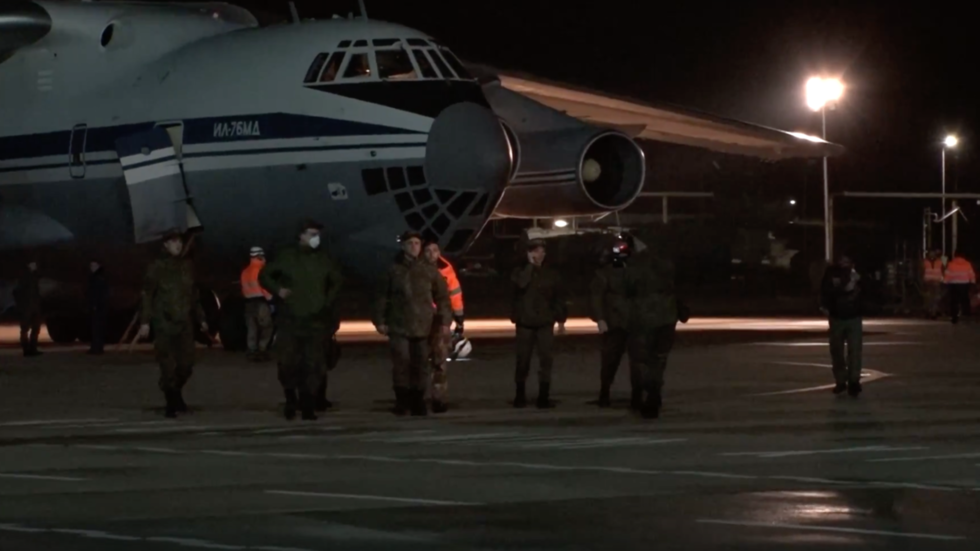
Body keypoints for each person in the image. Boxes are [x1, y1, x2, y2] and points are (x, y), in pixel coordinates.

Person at [259, 220, 343, 420]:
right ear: (301, 236)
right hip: (291, 321)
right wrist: (278, 290)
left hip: (315, 322)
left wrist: (326, 301)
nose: (316, 238)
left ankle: (307, 405)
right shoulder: (287, 257)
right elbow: (265, 275)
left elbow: (337, 281)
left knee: (313, 365)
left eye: (317, 234)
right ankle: (290, 400)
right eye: (312, 234)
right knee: (288, 363)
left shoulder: (324, 259)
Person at [373, 231, 451, 417]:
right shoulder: (393, 269)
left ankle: (418, 401)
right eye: (410, 243)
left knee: (421, 364)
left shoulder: (429, 270)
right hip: (399, 325)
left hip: (423, 326)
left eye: (417, 243)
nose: (414, 246)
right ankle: (402, 401)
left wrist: (444, 320)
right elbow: (381, 296)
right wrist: (379, 320)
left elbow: (442, 296)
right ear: (403, 246)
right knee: (401, 363)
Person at [138, 232, 208, 418]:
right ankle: (172, 401)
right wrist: (145, 322)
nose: (178, 245)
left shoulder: (187, 266)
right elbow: (147, 295)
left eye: (180, 242)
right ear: (166, 245)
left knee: (186, 364)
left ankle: (174, 391)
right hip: (164, 322)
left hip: (184, 322)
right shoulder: (157, 267)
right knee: (167, 364)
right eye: (174, 242)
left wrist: (201, 319)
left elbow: (194, 295)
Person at [625, 237, 682, 419]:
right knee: (659, 359)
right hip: (666, 316)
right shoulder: (666, 264)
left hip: (644, 317)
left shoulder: (636, 265)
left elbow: (626, 283)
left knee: (641, 360)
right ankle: (654, 393)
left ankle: (645, 395)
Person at [511, 239, 567, 409]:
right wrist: (529, 266)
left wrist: (561, 321)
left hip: (544, 323)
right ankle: (520, 396)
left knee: (546, 361)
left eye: (542, 251)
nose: (539, 255)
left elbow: (558, 298)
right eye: (535, 251)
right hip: (525, 323)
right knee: (523, 361)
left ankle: (544, 396)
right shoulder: (519, 271)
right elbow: (520, 284)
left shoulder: (551, 274)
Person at [590, 236, 641, 409]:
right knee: (610, 361)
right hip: (615, 323)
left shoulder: (635, 271)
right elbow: (597, 297)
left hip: (633, 322)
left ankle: (637, 395)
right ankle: (605, 392)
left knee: (637, 362)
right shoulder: (605, 273)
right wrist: (601, 319)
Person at [422, 239, 465, 414]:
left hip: (440, 322)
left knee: (439, 363)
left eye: (435, 250)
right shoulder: (418, 271)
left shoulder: (447, 271)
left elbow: (455, 295)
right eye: (428, 251)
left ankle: (438, 399)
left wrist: (460, 318)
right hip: (421, 322)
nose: (432, 254)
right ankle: (418, 396)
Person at [820, 253, 864, 397]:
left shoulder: (857, 273)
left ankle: (854, 381)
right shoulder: (832, 273)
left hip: (854, 316)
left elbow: (868, 291)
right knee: (837, 351)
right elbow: (826, 290)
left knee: (855, 351)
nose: (845, 262)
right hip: (837, 316)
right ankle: (840, 380)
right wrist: (825, 305)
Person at [240, 246, 274, 362]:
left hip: (249, 302)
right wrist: (270, 300)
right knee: (267, 326)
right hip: (261, 302)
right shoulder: (261, 270)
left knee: (252, 327)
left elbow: (244, 288)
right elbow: (265, 286)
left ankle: (252, 350)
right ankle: (262, 349)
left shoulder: (245, 271)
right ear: (260, 255)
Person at [14, 260, 43, 357]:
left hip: (34, 306)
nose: (34, 266)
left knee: (35, 328)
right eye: (32, 264)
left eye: (35, 264)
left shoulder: (34, 277)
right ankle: (26, 349)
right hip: (27, 307)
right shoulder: (24, 277)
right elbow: (17, 292)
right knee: (25, 329)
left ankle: (33, 348)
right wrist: (21, 305)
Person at [944, 250, 976, 324]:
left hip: (954, 284)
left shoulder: (951, 264)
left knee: (954, 301)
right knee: (965, 300)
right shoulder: (967, 264)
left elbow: (948, 274)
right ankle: (966, 315)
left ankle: (954, 317)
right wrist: (972, 282)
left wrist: (945, 282)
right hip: (964, 284)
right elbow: (971, 274)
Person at [87, 260, 109, 355]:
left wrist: (95, 305)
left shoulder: (98, 278)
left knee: (97, 328)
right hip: (99, 306)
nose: (92, 267)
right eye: (91, 265)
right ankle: (97, 347)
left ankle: (97, 348)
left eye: (93, 265)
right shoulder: (97, 277)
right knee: (97, 328)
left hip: (98, 307)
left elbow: (98, 293)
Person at [921, 249, 944, 319]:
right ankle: (931, 312)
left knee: (935, 298)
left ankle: (932, 312)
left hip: (936, 281)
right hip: (929, 282)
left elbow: (944, 270)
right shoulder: (925, 262)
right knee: (931, 298)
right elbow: (921, 271)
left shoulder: (940, 261)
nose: (932, 255)